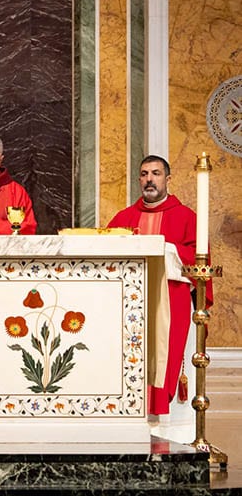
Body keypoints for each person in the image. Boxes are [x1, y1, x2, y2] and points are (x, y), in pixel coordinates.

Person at [107, 155, 210, 434]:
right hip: (130, 309)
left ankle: (172, 431)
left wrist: (166, 249)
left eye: (155, 173)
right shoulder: (124, 218)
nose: (149, 179)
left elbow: (199, 261)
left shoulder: (186, 217)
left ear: (168, 179)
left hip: (172, 303)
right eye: (144, 174)